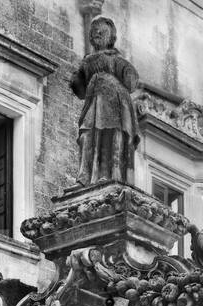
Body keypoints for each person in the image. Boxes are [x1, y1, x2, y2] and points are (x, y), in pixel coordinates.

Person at [70, 16, 140, 187]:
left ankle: (108, 174)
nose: (97, 33)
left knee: (110, 136)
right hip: (93, 103)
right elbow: (79, 89)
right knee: (87, 136)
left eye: (101, 30)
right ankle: (84, 177)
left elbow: (131, 82)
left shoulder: (116, 59)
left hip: (114, 104)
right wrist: (77, 77)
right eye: (94, 31)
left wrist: (125, 71)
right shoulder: (87, 62)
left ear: (111, 37)